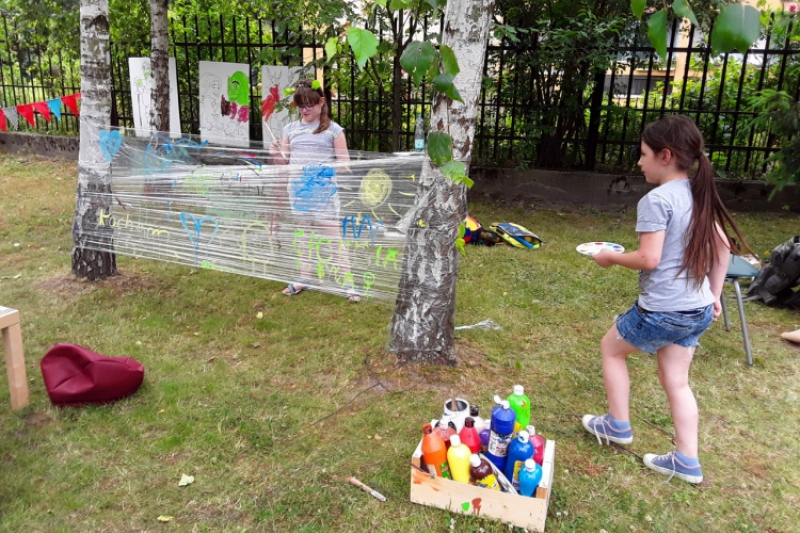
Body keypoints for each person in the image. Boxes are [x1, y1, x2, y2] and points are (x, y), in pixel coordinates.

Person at [581, 115, 753, 484]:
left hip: (665, 311)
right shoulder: (699, 193)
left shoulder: (657, 200)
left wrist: (610, 257)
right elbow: (724, 251)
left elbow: (649, 259)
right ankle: (687, 461)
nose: (639, 162)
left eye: (643, 155)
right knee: (676, 381)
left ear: (665, 155)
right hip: (698, 309)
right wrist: (714, 293)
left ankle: (617, 425)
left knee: (611, 349)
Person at [269, 79, 359, 302]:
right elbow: (284, 164)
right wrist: (274, 154)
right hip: (299, 194)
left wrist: (320, 171)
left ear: (321, 103)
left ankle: (349, 284)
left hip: (323, 194)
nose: (304, 109)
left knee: (333, 237)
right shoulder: (290, 130)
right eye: (300, 105)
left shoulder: (333, 130)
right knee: (303, 236)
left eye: (309, 104)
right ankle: (304, 277)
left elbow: (345, 162)